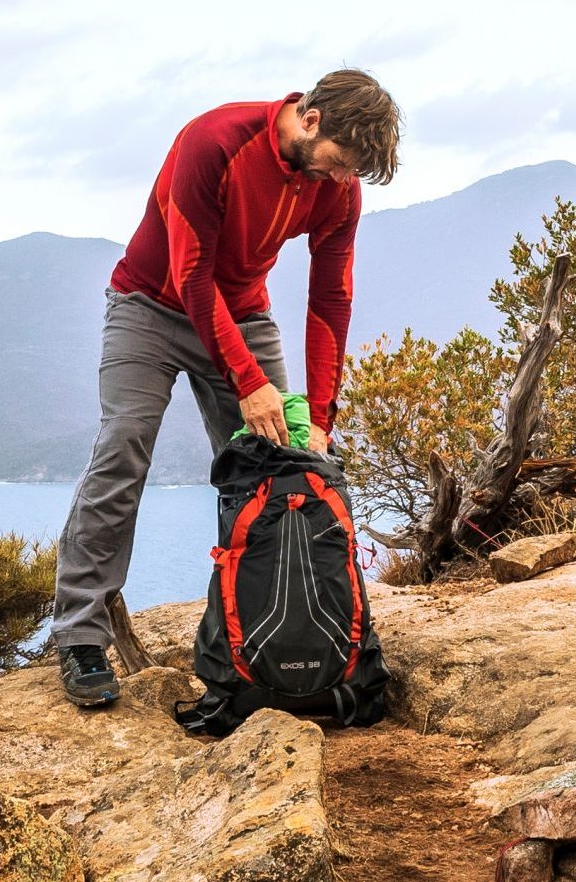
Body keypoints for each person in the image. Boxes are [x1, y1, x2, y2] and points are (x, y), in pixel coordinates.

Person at [51, 70, 402, 707]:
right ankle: (80, 635)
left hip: (241, 314)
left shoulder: (338, 190)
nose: (340, 181)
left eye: (352, 173)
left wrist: (318, 414)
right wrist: (249, 382)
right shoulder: (213, 142)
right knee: (124, 446)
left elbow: (331, 297)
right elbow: (191, 274)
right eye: (339, 163)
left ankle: (275, 630)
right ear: (312, 118)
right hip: (149, 306)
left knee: (291, 462)